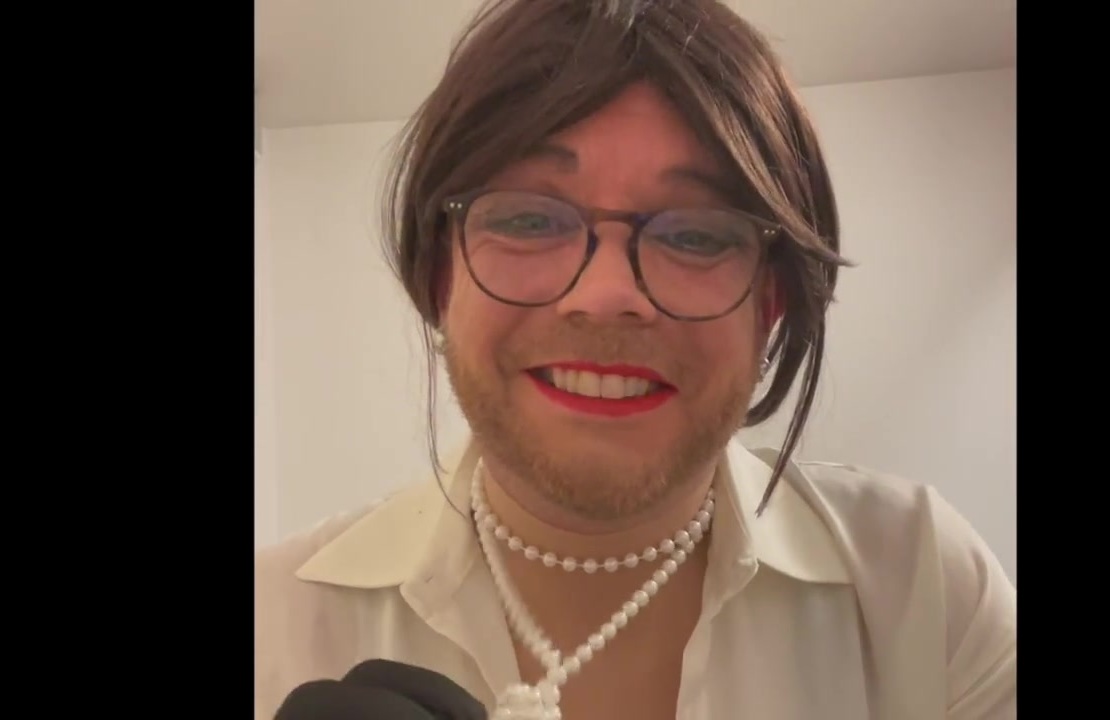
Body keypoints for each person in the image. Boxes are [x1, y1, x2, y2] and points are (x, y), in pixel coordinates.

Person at [254, 0, 1017, 718]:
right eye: (527, 220)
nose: (606, 295)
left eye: (696, 234)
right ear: (438, 277)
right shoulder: (275, 622)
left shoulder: (922, 584)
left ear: (772, 300)